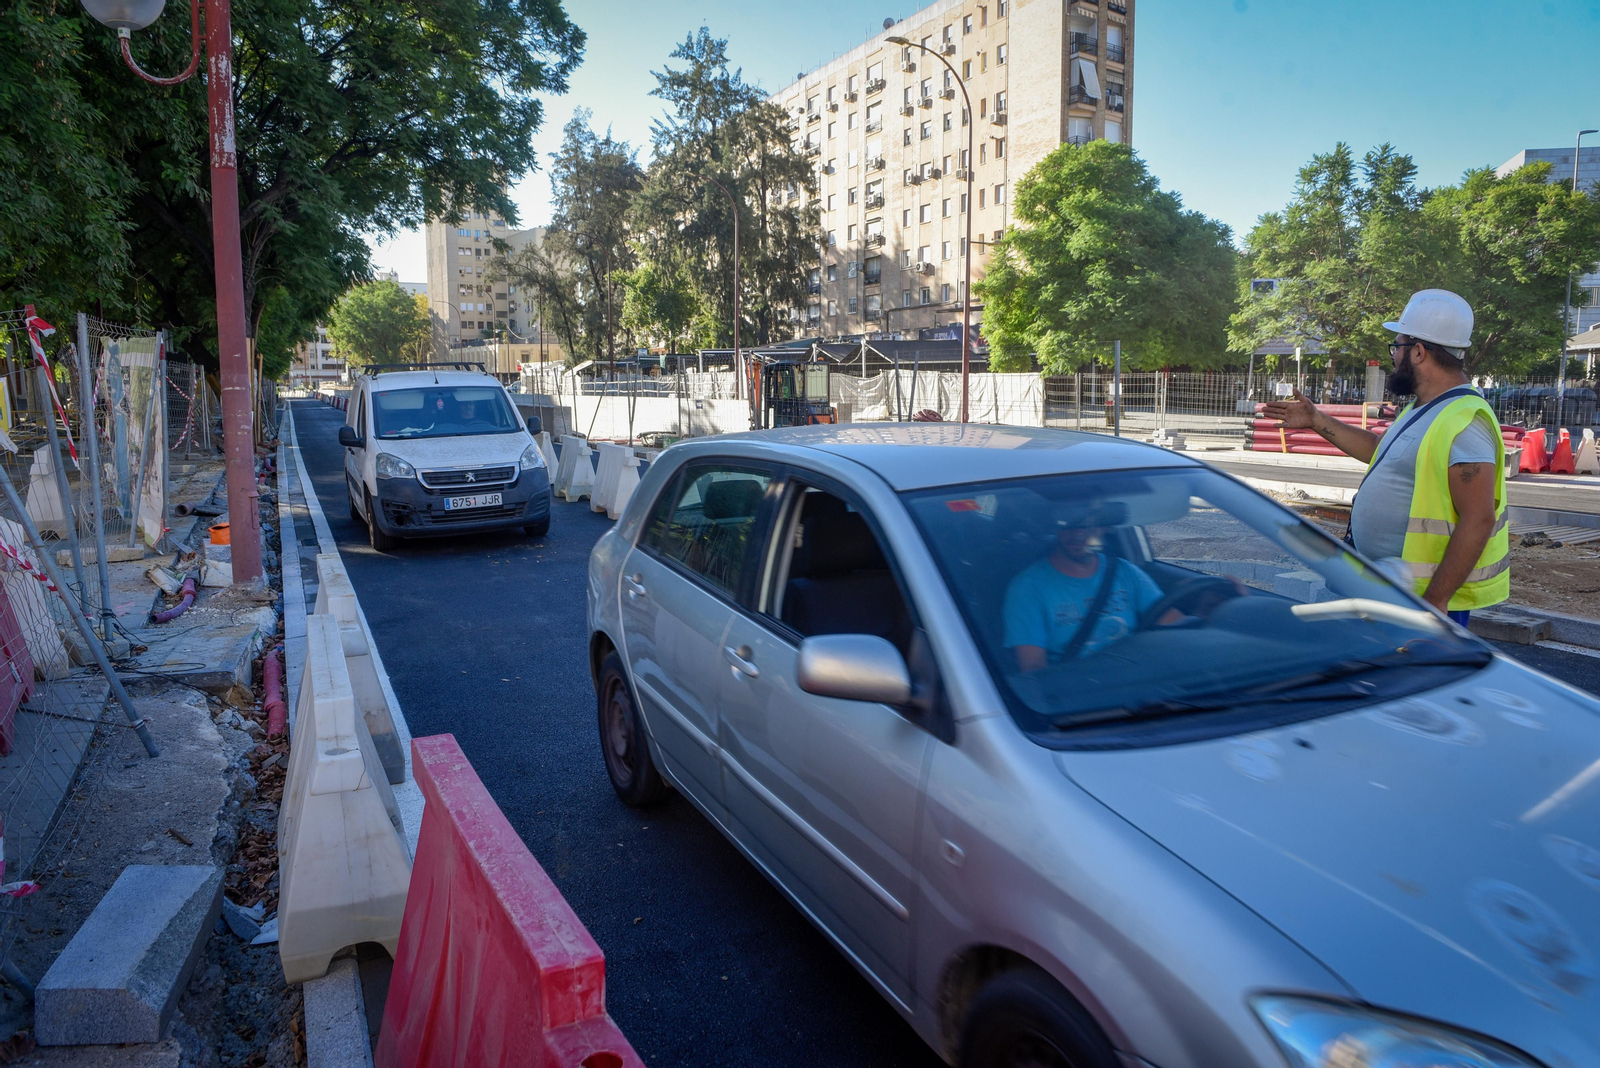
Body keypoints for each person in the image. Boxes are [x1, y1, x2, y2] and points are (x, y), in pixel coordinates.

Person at [1262, 289, 1508, 626]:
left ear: (1418, 352)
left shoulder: (1465, 420)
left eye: (1397, 346)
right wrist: (1316, 420)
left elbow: (1478, 518)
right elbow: (1382, 452)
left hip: (1420, 600)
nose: (1393, 356)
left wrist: (1435, 601)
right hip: (1391, 588)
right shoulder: (1424, 408)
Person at [1003, 499, 1175, 672]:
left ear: (1105, 527)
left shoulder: (1125, 571)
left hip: (1138, 677)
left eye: (1089, 523)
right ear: (1056, 526)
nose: (1078, 532)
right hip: (1078, 686)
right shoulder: (1027, 589)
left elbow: (1172, 625)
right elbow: (1034, 670)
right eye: (1070, 521)